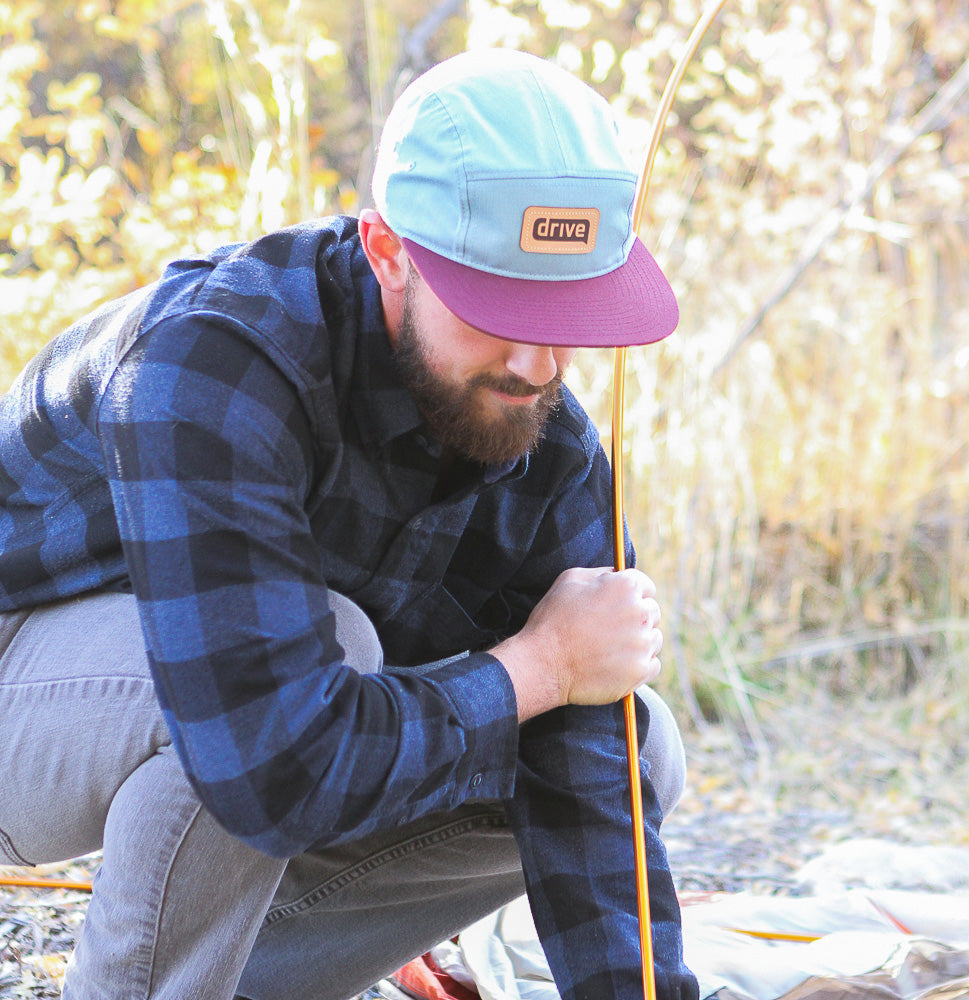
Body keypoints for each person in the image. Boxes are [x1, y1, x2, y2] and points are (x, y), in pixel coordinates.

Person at [0, 48, 698, 1000]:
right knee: (331, 654)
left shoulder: (545, 435)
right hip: (24, 700)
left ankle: (242, 972)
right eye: (498, 305)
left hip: (242, 748)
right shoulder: (215, 362)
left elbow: (587, 775)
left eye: (566, 308)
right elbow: (270, 762)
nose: (538, 361)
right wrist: (539, 666)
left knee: (632, 743)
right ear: (387, 250)